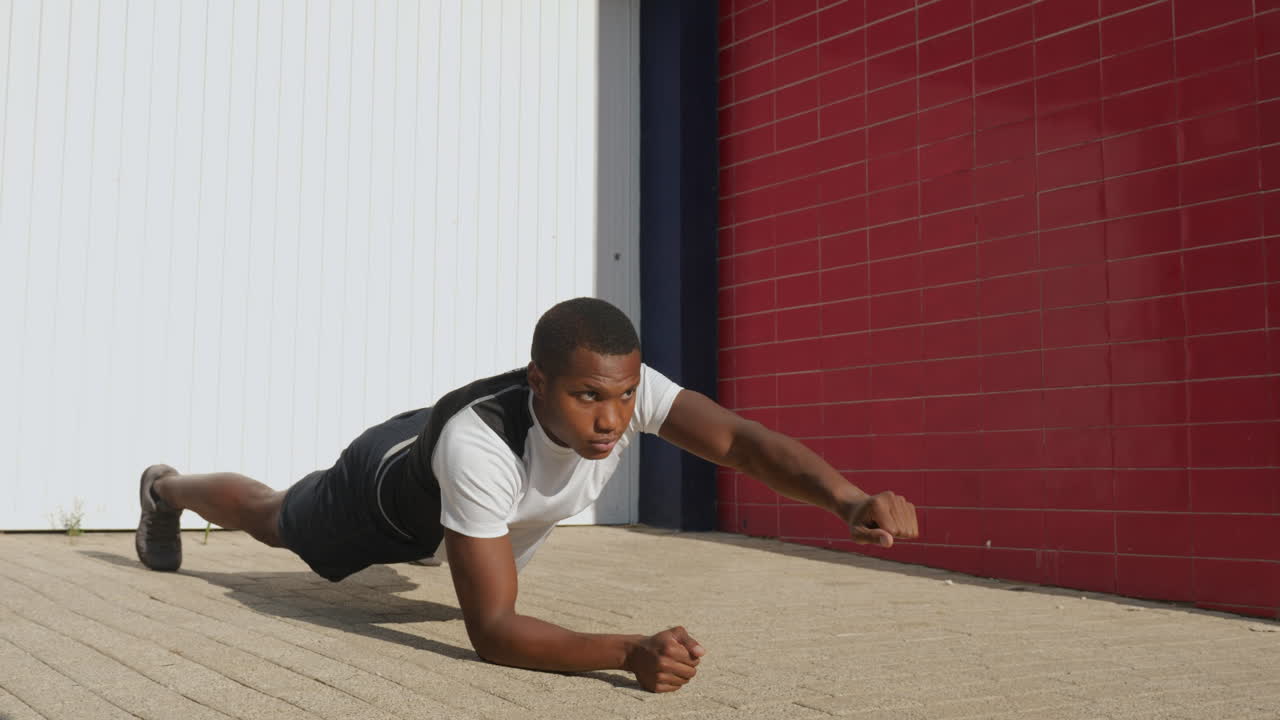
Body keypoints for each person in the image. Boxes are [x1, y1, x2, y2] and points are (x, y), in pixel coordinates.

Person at [135, 297, 919, 693]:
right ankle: (166, 488)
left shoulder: (619, 390)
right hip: (385, 488)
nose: (612, 420)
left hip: (448, 463)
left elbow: (740, 442)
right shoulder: (482, 450)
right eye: (586, 398)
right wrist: (625, 651)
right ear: (539, 379)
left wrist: (846, 499)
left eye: (623, 396)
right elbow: (495, 631)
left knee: (470, 541)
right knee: (276, 519)